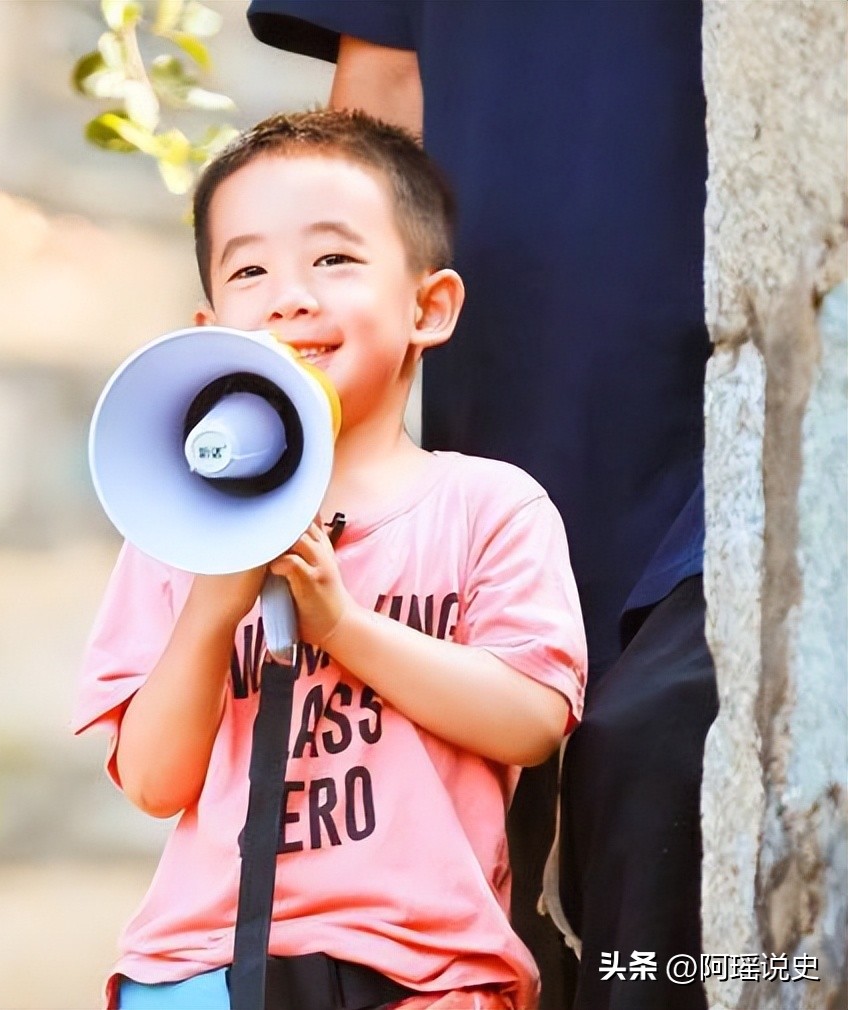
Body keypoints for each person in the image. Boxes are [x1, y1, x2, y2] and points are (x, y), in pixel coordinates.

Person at [245, 4, 720, 1010]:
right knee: (515, 879)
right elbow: (377, 114)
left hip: (747, 404)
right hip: (510, 415)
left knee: (660, 752)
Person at [72, 109, 588, 1010]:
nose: (289, 297)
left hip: (423, 976)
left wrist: (341, 625)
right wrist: (214, 605)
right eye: (250, 270)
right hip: (198, 973)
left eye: (334, 259)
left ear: (428, 307)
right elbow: (154, 781)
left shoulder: (488, 506)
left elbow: (532, 721)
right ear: (210, 325)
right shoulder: (175, 531)